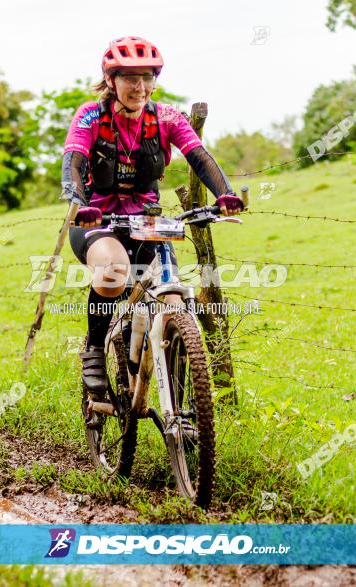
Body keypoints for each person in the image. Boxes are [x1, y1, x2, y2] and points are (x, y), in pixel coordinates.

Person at [61, 35, 243, 428]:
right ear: (111, 81)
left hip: (147, 220)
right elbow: (73, 162)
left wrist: (225, 193)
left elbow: (199, 157)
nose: (138, 87)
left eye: (145, 77)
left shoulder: (167, 119)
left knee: (173, 297)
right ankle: (94, 348)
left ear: (154, 80)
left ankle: (183, 407)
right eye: (128, 77)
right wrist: (80, 201)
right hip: (98, 221)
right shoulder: (91, 116)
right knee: (111, 273)